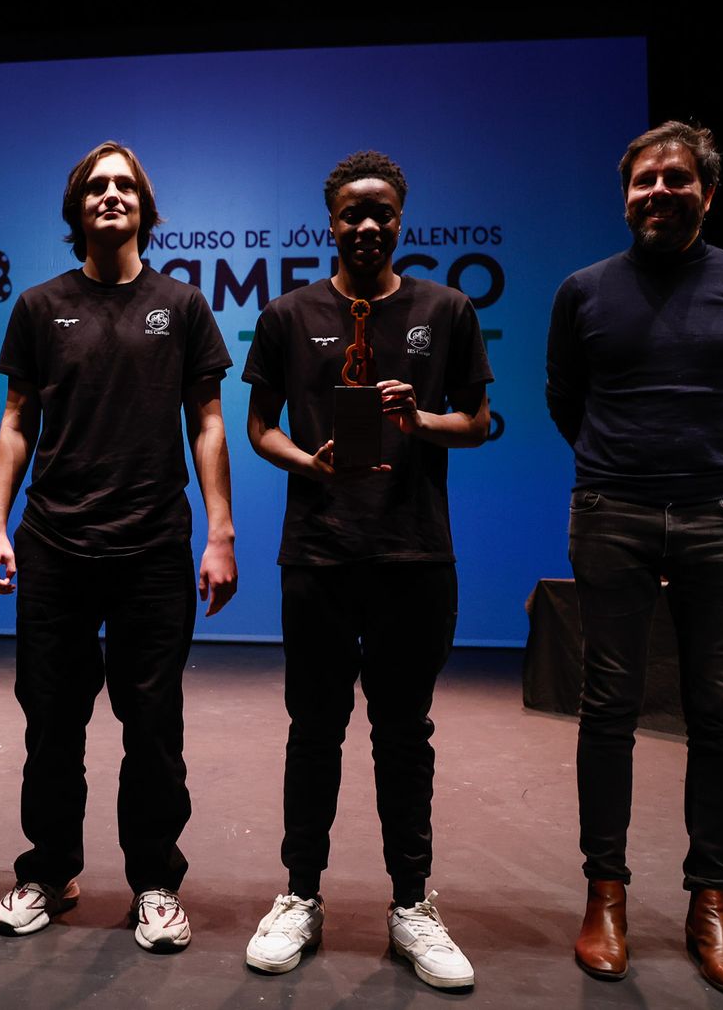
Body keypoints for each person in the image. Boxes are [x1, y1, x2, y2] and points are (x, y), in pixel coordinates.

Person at [546, 121, 723, 997]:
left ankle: (710, 901)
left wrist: (708, 471)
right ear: (625, 193)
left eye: (676, 179)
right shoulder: (584, 291)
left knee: (720, 712)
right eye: (644, 180)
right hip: (611, 509)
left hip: (722, 512)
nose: (658, 191)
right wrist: (626, 469)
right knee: (607, 706)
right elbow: (564, 398)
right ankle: (605, 892)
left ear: (707, 192)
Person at [240, 151, 491, 989]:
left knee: (402, 735)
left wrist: (419, 420)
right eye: (352, 213)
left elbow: (479, 421)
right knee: (313, 732)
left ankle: (412, 904)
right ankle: (300, 895)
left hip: (414, 554)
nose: (368, 226)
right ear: (331, 220)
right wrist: (308, 465)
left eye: (382, 212)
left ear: (402, 218)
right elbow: (258, 428)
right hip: (316, 555)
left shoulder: (447, 309)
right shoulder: (286, 314)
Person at [0, 141, 238, 954]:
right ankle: (49, 872)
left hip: (155, 544)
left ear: (145, 208)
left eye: (126, 185)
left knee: (152, 725)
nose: (112, 195)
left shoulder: (184, 305)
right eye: (97, 186)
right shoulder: (38, 304)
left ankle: (155, 882)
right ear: (77, 208)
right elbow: (18, 420)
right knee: (50, 722)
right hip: (54, 542)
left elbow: (207, 421)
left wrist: (221, 530)